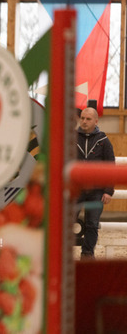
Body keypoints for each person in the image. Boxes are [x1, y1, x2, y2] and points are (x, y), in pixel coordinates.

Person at [76, 106, 115, 258]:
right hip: (75, 190)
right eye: (82, 118)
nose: (84, 121)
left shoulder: (104, 141)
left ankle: (87, 254)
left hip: (96, 191)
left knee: (92, 224)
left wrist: (108, 191)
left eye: (88, 119)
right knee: (66, 222)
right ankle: (62, 255)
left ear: (96, 121)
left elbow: (111, 167)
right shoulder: (71, 139)